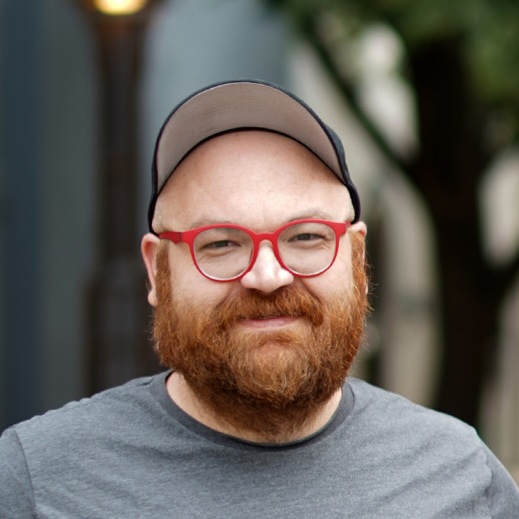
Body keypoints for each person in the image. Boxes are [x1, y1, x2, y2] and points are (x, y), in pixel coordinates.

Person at [0, 79, 518, 518]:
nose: (267, 276)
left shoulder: (461, 477)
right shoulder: (34, 481)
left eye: (306, 237)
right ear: (157, 270)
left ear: (356, 257)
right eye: (221, 244)